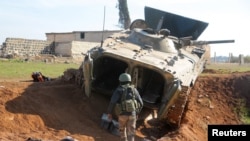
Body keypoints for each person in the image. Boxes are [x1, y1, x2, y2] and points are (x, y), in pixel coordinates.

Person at [107, 73, 143, 141]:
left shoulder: (118, 90)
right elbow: (141, 103)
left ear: (120, 81)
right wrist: (137, 113)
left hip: (122, 115)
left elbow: (112, 102)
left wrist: (109, 112)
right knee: (131, 133)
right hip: (133, 114)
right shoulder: (134, 90)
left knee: (122, 130)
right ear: (129, 81)